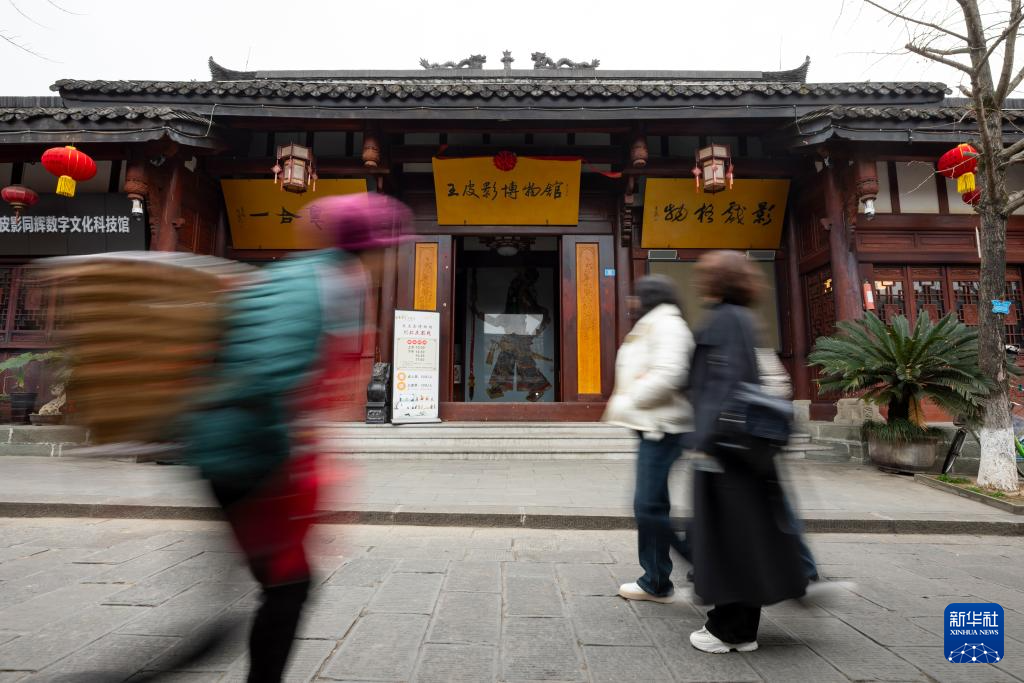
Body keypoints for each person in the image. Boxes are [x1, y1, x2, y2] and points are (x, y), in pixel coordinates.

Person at [181, 193, 411, 682]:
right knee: (288, 586)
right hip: (249, 453)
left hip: (223, 445)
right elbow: (270, 374)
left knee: (280, 582)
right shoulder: (330, 282)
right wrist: (294, 460)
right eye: (388, 247)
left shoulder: (294, 272)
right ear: (370, 247)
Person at [686, 250, 807, 654]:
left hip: (727, 450)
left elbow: (721, 384)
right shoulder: (744, 318)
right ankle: (738, 627)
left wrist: (704, 439)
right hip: (744, 447)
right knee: (745, 535)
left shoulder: (722, 320)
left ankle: (729, 630)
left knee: (730, 538)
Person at [604, 274, 694, 603]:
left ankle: (667, 577)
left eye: (637, 295)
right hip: (654, 425)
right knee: (651, 505)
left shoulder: (666, 325)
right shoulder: (655, 323)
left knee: (648, 506)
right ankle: (660, 577)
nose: (631, 302)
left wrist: (633, 397)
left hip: (663, 426)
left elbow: (670, 372)